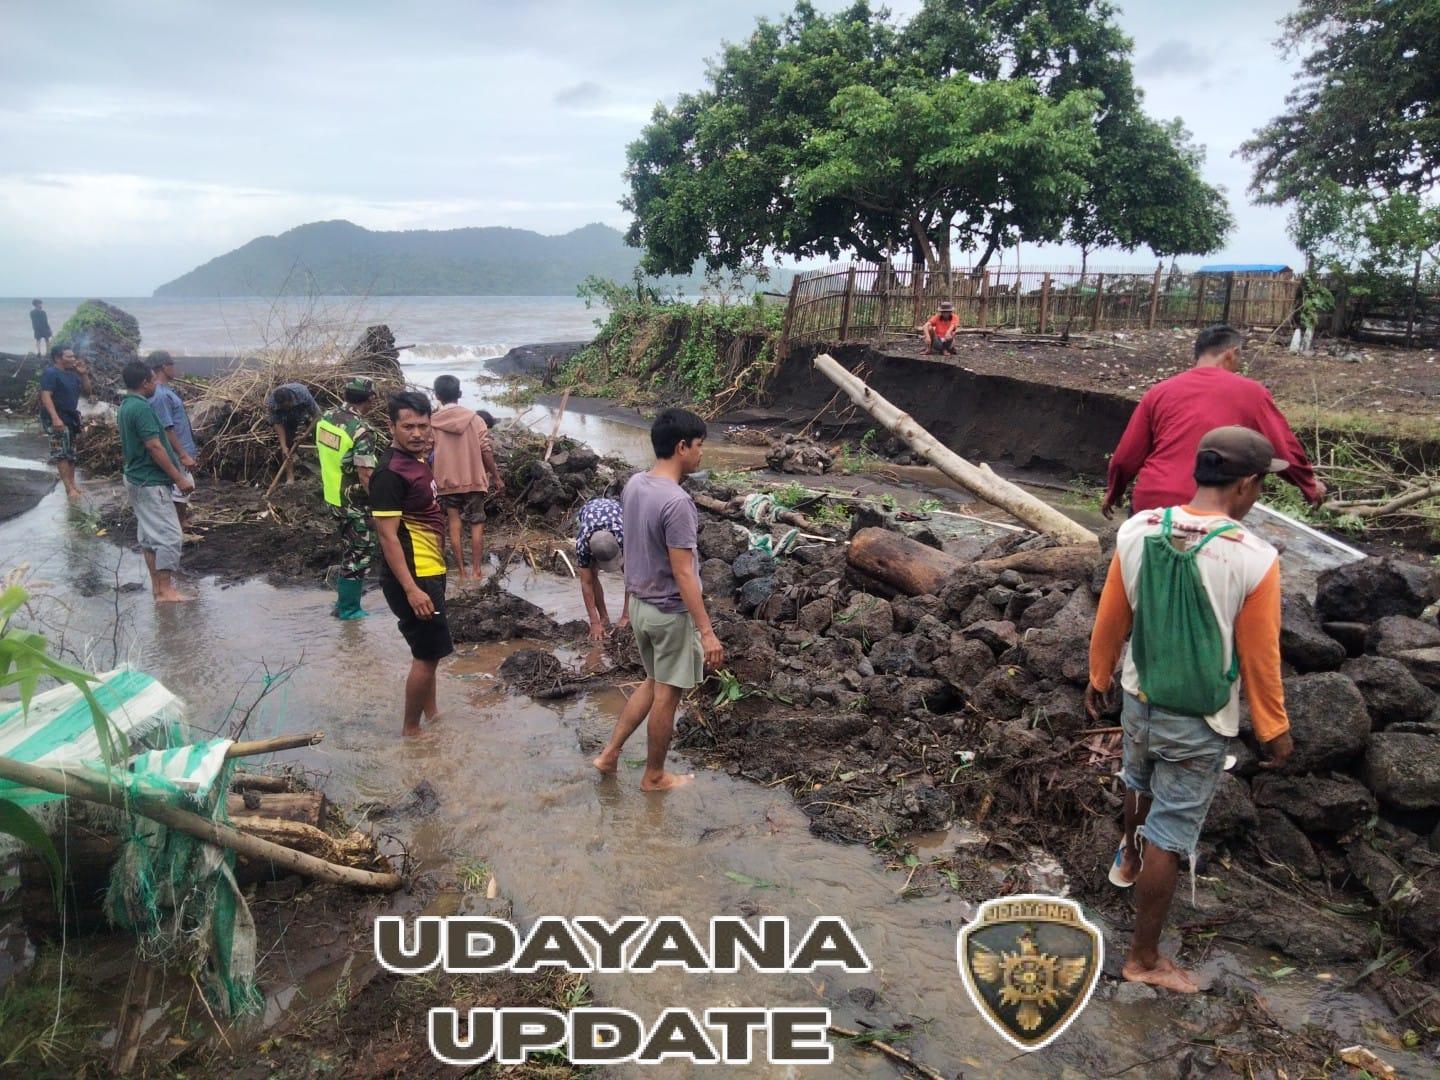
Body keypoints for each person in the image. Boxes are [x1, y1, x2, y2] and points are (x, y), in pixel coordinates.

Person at [1087, 426, 1295, 994]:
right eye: (1260, 487)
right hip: (1199, 719)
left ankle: (1128, 861)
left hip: (1139, 695)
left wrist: (1099, 674)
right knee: (1173, 834)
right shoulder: (1255, 558)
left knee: (1136, 778)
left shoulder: (1138, 529)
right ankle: (1145, 958)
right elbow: (1259, 656)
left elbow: (1113, 615)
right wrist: (1274, 728)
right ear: (1247, 484)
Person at [592, 408, 724, 790]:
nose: (701, 454)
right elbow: (684, 573)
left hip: (641, 607)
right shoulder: (678, 502)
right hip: (669, 613)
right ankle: (654, 776)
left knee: (651, 683)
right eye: (698, 446)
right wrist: (707, 632)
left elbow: (635, 546)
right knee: (667, 694)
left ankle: (609, 755)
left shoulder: (635, 484)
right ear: (681, 447)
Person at [1101, 325, 1326, 519]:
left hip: (1151, 504)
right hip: (1207, 508)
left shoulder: (1159, 391)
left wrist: (1114, 491)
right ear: (1232, 353)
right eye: (1239, 359)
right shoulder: (1252, 393)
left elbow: (1127, 455)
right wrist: (1308, 484)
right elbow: (1282, 447)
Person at [370, 391, 452, 736]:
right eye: (408, 427)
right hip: (414, 576)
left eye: (423, 425)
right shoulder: (390, 473)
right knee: (426, 654)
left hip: (430, 569)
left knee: (429, 652)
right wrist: (412, 589)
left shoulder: (418, 461)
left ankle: (431, 713)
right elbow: (388, 538)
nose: (417, 433)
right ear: (392, 426)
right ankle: (411, 732)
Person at [117, 361, 195, 603]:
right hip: (149, 482)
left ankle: (158, 590)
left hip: (137, 478)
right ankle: (166, 590)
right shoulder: (141, 408)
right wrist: (179, 478)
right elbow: (154, 445)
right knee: (171, 536)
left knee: (150, 539)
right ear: (144, 383)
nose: (156, 384)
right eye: (153, 380)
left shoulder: (126, 405)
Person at [430, 374, 504, 582]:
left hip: (446, 482)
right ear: (460, 394)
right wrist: (496, 476)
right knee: (476, 523)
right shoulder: (476, 419)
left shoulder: (432, 422)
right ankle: (477, 571)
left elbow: (427, 452)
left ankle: (462, 572)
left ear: (436, 396)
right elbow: (486, 450)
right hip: (474, 480)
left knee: (454, 524)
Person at [316, 377, 380, 619]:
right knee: (361, 550)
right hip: (354, 501)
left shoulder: (327, 417)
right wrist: (379, 501)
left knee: (349, 548)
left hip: (332, 495)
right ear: (371, 398)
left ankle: (343, 603)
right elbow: (366, 474)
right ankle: (349, 609)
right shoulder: (361, 430)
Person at [147, 351, 198, 533]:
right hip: (176, 449)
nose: (174, 369)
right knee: (182, 485)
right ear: (163, 367)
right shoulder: (160, 394)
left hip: (180, 447)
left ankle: (180, 521)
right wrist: (182, 454)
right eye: (171, 365)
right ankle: (179, 524)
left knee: (182, 485)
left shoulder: (164, 391)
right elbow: (167, 428)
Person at [37, 344, 91, 498]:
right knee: (61, 453)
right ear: (57, 358)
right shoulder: (51, 373)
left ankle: (73, 485)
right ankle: (69, 489)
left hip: (71, 418)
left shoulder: (73, 375)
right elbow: (45, 396)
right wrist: (55, 418)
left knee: (71, 454)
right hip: (56, 418)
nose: (73, 359)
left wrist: (84, 374)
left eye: (73, 356)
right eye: (69, 356)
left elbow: (88, 392)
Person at [574, 497, 628, 642]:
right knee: (591, 574)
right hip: (587, 513)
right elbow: (586, 583)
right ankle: (603, 617)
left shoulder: (624, 536)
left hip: (617, 511)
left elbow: (632, 578)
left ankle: (626, 614)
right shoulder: (582, 545)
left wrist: (626, 617)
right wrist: (594, 623)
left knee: (629, 570)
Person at [266, 382, 319, 485]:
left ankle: (320, 468)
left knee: (320, 435)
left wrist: (306, 434)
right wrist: (283, 446)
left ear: (292, 399)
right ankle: (290, 478)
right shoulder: (272, 403)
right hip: (287, 419)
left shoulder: (302, 393)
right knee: (287, 448)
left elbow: (317, 416)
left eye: (287, 405)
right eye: (283, 407)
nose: (286, 408)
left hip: (305, 412)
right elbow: (277, 424)